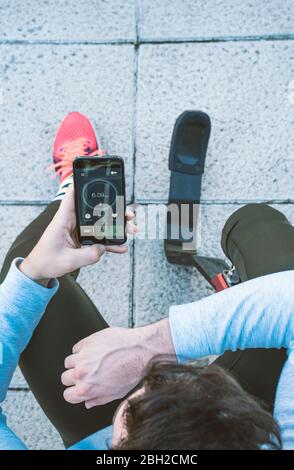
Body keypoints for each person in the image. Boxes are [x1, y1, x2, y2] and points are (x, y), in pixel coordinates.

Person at [0, 112, 293, 450]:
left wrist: (34, 270)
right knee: (260, 227)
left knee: (24, 270)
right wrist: (151, 344)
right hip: (249, 427)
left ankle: (76, 193)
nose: (154, 375)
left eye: (136, 404)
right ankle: (237, 293)